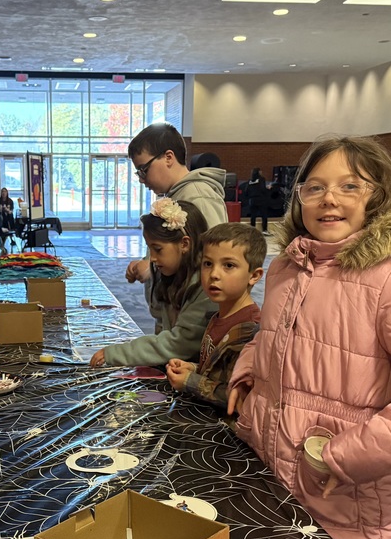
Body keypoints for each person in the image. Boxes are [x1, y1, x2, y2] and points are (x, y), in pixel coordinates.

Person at [227, 135, 391, 539]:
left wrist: (350, 456)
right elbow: (274, 336)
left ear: (378, 196)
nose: (329, 200)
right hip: (270, 463)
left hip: (337, 482)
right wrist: (250, 372)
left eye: (350, 186)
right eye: (314, 187)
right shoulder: (289, 265)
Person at [125, 122, 227, 328]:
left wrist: (152, 266)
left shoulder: (198, 196)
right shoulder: (177, 195)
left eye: (144, 170)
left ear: (168, 157)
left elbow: (216, 261)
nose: (141, 180)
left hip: (191, 321)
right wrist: (150, 263)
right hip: (174, 313)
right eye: (138, 173)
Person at [90, 198, 212, 368]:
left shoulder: (206, 287)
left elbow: (177, 344)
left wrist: (117, 353)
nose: (152, 258)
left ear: (185, 244)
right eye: (149, 249)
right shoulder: (174, 275)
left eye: (158, 249)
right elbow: (159, 317)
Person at [165, 223, 265, 407]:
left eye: (228, 265)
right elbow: (218, 371)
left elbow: (240, 397)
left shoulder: (249, 330)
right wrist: (193, 369)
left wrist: (190, 382)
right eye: (208, 264)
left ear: (254, 275)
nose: (214, 274)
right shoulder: (218, 316)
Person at [242, 168, 271, 233]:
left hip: (252, 200)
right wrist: (268, 189)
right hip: (261, 200)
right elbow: (263, 189)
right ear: (259, 172)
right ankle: (264, 230)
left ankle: (252, 230)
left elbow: (246, 191)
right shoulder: (261, 179)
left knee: (253, 216)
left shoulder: (250, 180)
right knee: (264, 215)